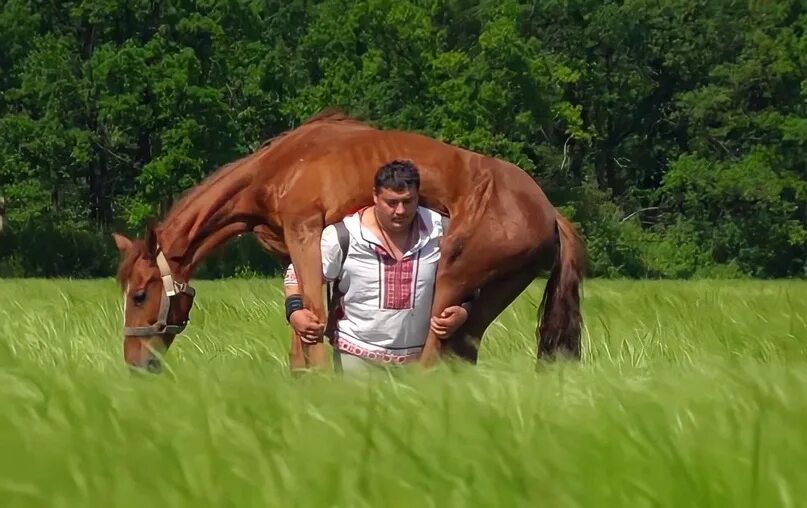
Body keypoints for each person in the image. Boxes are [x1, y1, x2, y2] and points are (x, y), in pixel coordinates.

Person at [283, 160, 472, 372]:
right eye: (391, 203)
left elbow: (467, 281)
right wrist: (295, 312)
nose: (400, 210)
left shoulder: (442, 232)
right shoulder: (344, 236)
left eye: (408, 201)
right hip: (356, 358)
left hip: (423, 362)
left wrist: (463, 311)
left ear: (418, 196)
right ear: (375, 196)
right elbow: (297, 275)